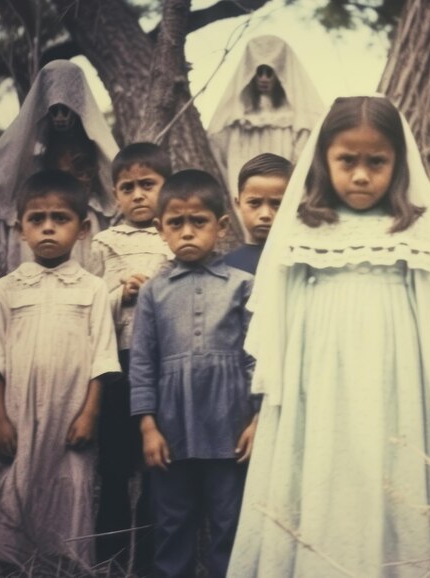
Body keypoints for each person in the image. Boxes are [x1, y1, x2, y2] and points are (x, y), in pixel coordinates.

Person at [227, 96, 430, 577]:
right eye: (346, 160)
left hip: (397, 376)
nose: (360, 175)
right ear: (324, 160)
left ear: (397, 163)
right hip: (321, 375)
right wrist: (286, 381)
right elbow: (280, 309)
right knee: (325, 466)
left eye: (377, 162)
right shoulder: (305, 228)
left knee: (392, 466)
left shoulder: (410, 228)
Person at [0, 170, 120, 568]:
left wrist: (90, 413)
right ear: (21, 229)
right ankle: (7, 558)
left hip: (70, 408)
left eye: (60, 218)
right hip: (18, 408)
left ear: (82, 229)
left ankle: (63, 556)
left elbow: (102, 357)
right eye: (36, 219)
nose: (47, 228)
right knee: (15, 476)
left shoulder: (91, 287)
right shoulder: (7, 288)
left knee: (69, 480)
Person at [129, 169, 260, 578]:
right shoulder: (153, 291)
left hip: (230, 428)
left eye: (198, 222)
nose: (187, 232)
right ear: (160, 229)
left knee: (228, 522)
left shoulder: (243, 286)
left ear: (220, 226)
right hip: (171, 431)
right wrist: (148, 426)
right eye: (176, 223)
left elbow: (258, 356)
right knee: (172, 523)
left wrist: (257, 419)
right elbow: (142, 360)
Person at [0, 59, 117, 324]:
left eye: (67, 110)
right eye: (54, 111)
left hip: (81, 230)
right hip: (43, 224)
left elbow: (108, 185)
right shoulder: (33, 151)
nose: (61, 118)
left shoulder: (92, 147)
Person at [90, 142, 174, 569]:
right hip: (120, 364)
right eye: (127, 187)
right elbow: (88, 300)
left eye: (148, 185)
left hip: (163, 365)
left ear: (167, 186)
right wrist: (118, 293)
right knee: (117, 462)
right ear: (114, 194)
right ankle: (113, 556)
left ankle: (151, 557)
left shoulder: (176, 234)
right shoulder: (104, 242)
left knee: (158, 463)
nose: (138, 195)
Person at [207, 35, 324, 202]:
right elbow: (220, 150)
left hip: (283, 187)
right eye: (259, 72)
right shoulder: (237, 118)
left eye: (269, 73)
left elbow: (304, 159)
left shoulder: (297, 119)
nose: (263, 78)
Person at [225, 153, 293, 274]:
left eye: (277, 204)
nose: (265, 214)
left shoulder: (302, 262)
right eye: (255, 203)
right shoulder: (225, 267)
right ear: (238, 204)